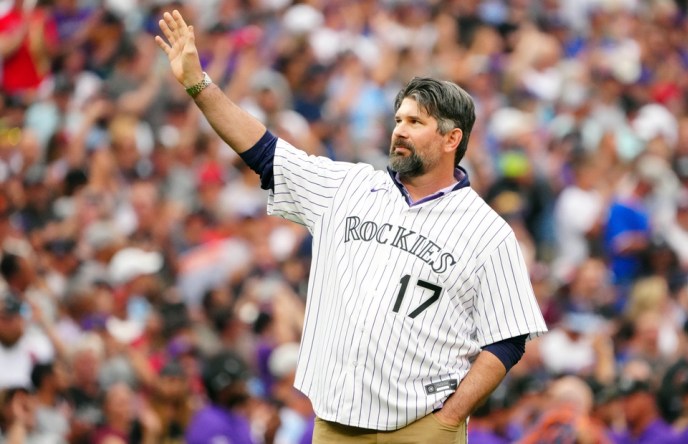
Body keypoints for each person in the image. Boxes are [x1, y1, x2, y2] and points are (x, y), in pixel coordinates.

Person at [155, 10, 547, 443]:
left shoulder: (487, 232)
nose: (399, 130)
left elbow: (508, 340)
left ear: (452, 139)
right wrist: (198, 84)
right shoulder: (348, 186)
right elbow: (263, 151)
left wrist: (450, 418)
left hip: (421, 427)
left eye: (416, 123)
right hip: (336, 423)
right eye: (399, 119)